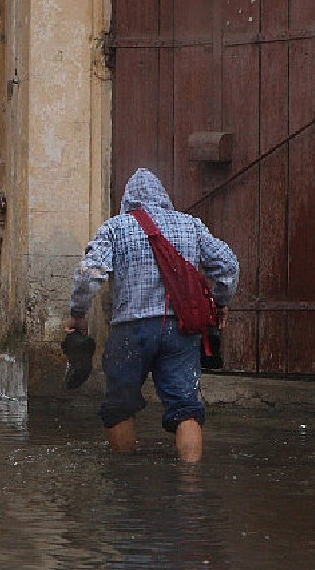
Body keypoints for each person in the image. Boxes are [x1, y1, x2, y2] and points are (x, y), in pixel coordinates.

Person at [66, 168, 238, 463]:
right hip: (180, 331)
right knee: (185, 406)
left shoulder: (115, 227)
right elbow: (228, 265)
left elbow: (89, 274)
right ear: (164, 197)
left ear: (127, 201)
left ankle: (125, 481)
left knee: (120, 405)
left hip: (129, 332)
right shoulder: (190, 225)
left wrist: (78, 313)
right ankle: (191, 484)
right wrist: (221, 302)